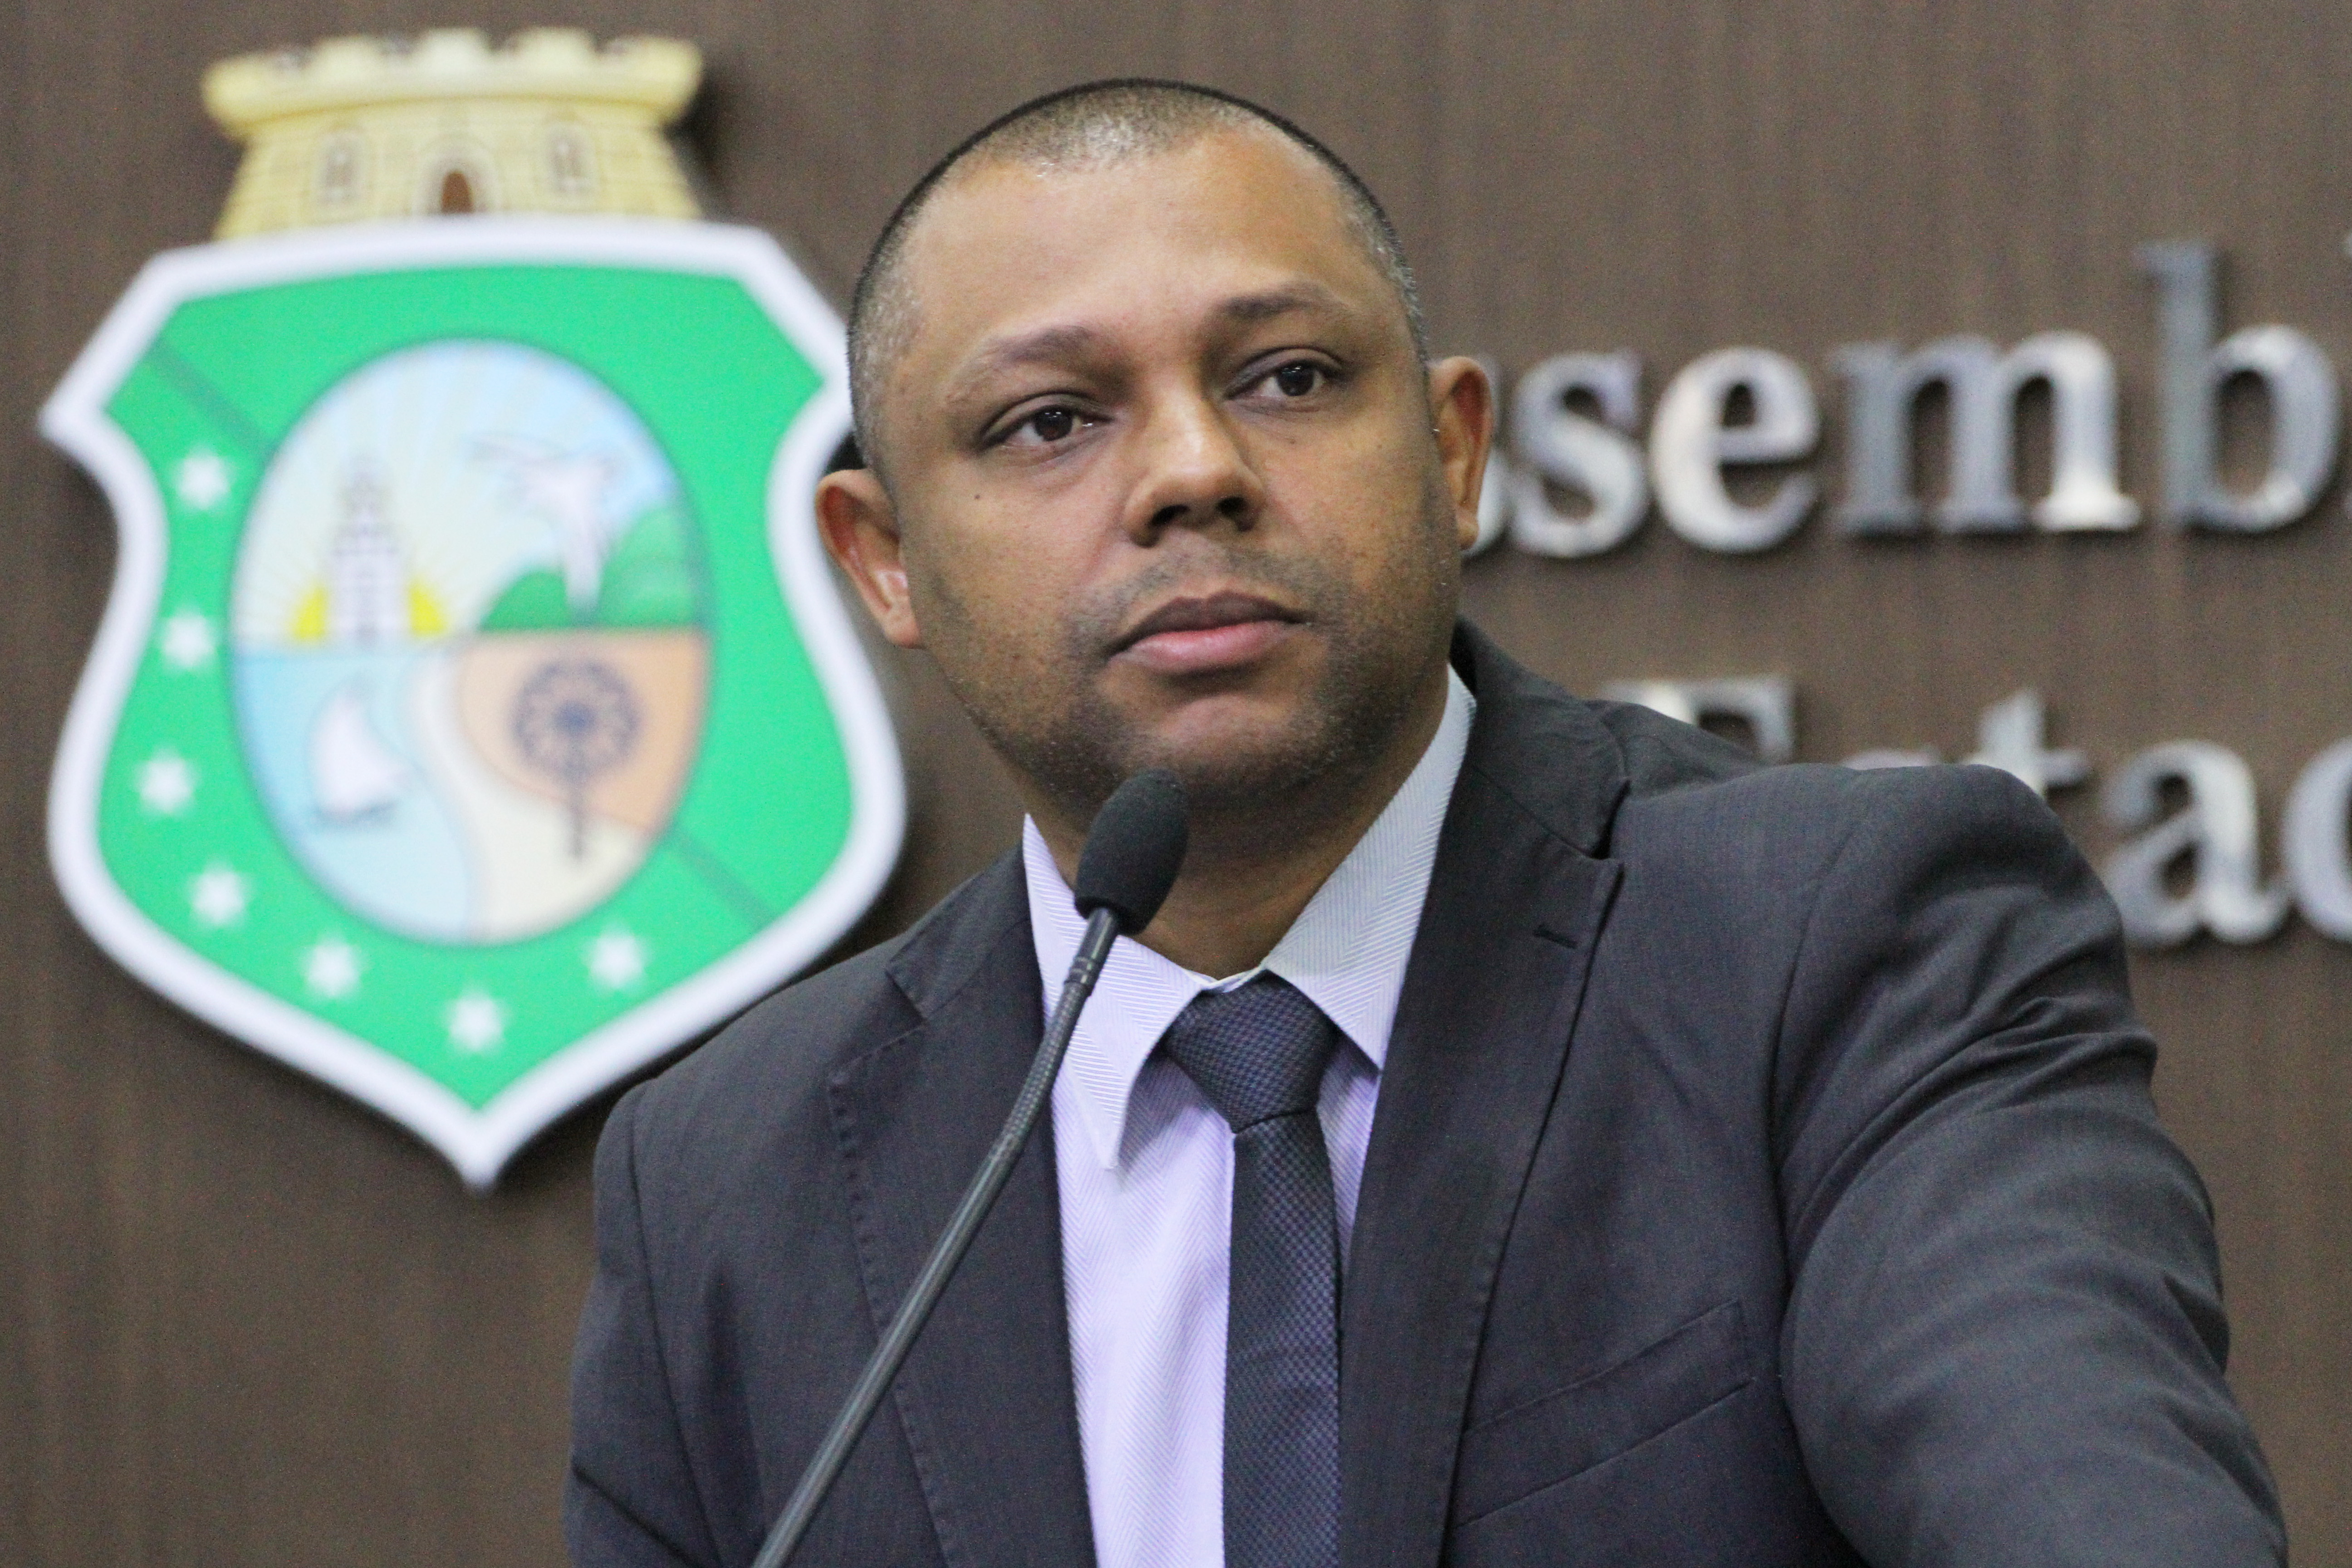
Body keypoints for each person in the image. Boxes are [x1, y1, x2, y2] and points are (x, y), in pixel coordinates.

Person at [565, 80, 2283, 1568]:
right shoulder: (729, 1182)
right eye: (1051, 421)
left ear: (1455, 455)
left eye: (1289, 377)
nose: (1192, 471)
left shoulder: (1846, 945)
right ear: (881, 561)